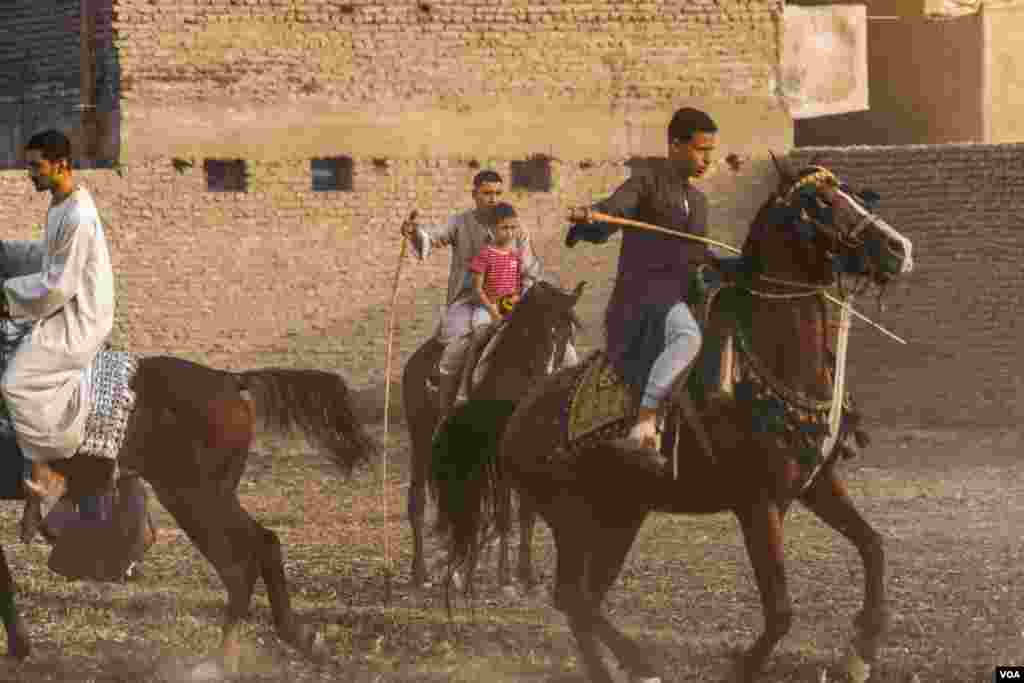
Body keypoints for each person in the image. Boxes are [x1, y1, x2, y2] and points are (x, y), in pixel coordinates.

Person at [565, 107, 720, 464]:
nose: (707, 159)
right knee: (688, 338)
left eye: (711, 150)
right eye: (700, 150)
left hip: (678, 297)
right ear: (675, 145)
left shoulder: (698, 202)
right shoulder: (645, 182)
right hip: (642, 300)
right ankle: (645, 422)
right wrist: (590, 217)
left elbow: (698, 259)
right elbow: (614, 210)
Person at [401, 171, 573, 423]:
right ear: (474, 195)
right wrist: (414, 232)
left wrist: (534, 297)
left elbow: (529, 270)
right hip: (469, 300)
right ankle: (448, 401)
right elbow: (432, 237)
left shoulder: (516, 229)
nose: (492, 199)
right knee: (457, 342)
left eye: (497, 193)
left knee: (560, 344)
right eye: (486, 193)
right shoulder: (460, 222)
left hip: (511, 302)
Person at [2, 129, 115, 499]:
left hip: (78, 316)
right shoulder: (61, 204)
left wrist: (6, 298)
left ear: (61, 164)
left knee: (14, 384)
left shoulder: (78, 214)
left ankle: (49, 466)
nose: (29, 174)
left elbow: (59, 284)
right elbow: (49, 261)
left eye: (36, 166)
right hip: (61, 306)